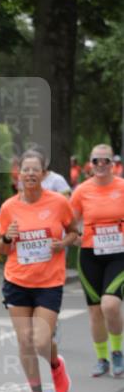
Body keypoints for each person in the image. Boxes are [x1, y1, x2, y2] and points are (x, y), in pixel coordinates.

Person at [0, 148, 80, 392]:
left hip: (49, 281)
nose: (30, 174)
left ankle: (55, 364)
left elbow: (74, 233)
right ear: (19, 174)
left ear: (43, 174)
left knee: (42, 341)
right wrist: (7, 238)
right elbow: (0, 249)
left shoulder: (58, 203)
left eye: (35, 170)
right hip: (17, 280)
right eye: (25, 169)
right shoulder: (9, 207)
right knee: (25, 341)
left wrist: (61, 244)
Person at [69, 143, 124, 377]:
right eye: (96, 161)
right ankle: (101, 358)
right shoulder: (82, 191)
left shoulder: (122, 187)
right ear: (89, 164)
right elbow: (69, 222)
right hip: (90, 255)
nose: (101, 165)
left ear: (113, 164)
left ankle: (117, 353)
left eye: (106, 161)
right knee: (95, 312)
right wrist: (73, 237)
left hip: (119, 254)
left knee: (110, 305)